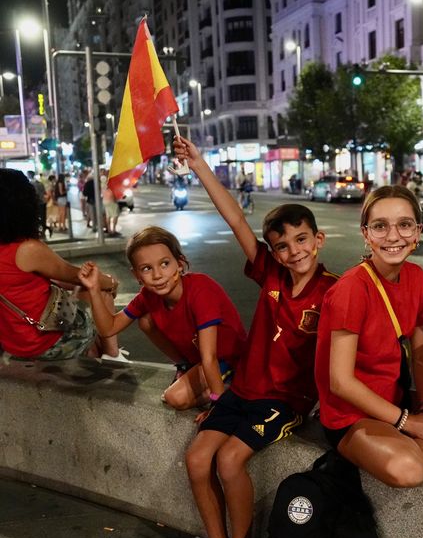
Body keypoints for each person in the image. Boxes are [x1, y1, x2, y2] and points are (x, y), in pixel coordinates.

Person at [173, 136, 338, 538]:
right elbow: (233, 217)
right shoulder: (268, 273)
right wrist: (200, 163)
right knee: (196, 458)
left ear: (317, 239)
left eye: (301, 239)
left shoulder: (336, 291)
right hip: (241, 391)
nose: (292, 251)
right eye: (281, 245)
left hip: (284, 400)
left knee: (228, 460)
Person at [315, 185, 423, 489]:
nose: (392, 236)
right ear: (366, 233)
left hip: (395, 397)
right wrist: (411, 423)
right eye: (380, 226)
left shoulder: (416, 276)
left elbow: (422, 350)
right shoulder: (351, 289)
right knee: (409, 469)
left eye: (404, 224)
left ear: (417, 231)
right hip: (351, 415)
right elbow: (340, 382)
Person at [79, 226, 246, 411]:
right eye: (147, 268)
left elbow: (210, 358)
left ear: (180, 263)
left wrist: (218, 405)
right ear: (136, 275)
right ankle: (186, 366)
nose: (157, 275)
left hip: (228, 358)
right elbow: (108, 328)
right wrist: (94, 289)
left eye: (165, 263)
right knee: (145, 320)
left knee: (174, 398)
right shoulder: (148, 296)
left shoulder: (201, 290)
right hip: (200, 358)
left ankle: (228, 388)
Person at [0, 168, 123, 362]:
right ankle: (113, 356)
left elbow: (52, 279)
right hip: (43, 341)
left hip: (12, 342)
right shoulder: (26, 249)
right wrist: (111, 282)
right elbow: (76, 276)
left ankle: (101, 352)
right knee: (101, 292)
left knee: (83, 292)